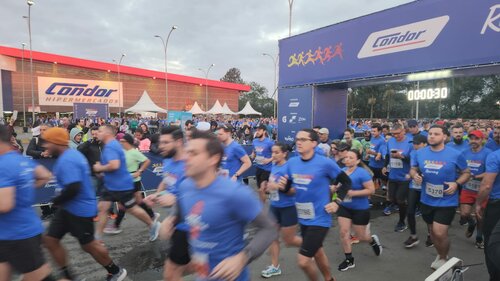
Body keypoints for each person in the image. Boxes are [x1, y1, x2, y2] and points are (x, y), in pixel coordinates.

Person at [167, 130, 277, 281]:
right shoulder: (185, 186)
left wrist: (243, 257)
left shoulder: (235, 193)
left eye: (193, 153)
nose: (186, 157)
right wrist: (172, 219)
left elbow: (270, 228)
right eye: (186, 152)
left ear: (213, 158)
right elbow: (191, 217)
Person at [41, 127, 127, 281]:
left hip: (79, 210)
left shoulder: (69, 158)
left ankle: (115, 271)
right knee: (50, 240)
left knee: (88, 245)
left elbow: (74, 187)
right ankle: (67, 276)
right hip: (68, 208)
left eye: (47, 142)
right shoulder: (68, 155)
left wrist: (56, 201)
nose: (44, 146)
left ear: (56, 142)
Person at [284, 129, 352, 281]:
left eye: (303, 139)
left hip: (320, 218)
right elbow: (288, 189)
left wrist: (337, 202)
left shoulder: (325, 163)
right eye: (297, 139)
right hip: (303, 217)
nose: (298, 142)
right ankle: (329, 279)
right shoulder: (292, 162)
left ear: (314, 143)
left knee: (303, 261)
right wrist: (282, 187)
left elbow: (347, 182)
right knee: (318, 252)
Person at [0, 125, 58, 281]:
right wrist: (22, 190)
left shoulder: (3, 165)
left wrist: (16, 192)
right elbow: (45, 175)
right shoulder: (18, 159)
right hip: (16, 232)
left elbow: (4, 205)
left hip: (18, 234)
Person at [410, 125, 470, 270]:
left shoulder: (455, 154)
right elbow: (413, 169)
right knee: (432, 232)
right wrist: (415, 176)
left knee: (439, 231)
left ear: (444, 137)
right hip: (426, 199)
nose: (431, 136)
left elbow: (467, 173)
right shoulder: (420, 153)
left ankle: (444, 258)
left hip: (447, 200)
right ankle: (440, 254)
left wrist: (456, 184)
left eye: (436, 134)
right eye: (430, 133)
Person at [93, 124, 160, 242]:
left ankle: (152, 224)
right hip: (111, 184)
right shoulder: (112, 145)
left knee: (132, 208)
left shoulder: (111, 146)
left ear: (107, 133)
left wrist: (100, 168)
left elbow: (115, 165)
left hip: (121, 185)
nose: (97, 133)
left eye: (99, 131)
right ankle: (97, 238)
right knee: (103, 208)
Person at [144, 126, 191, 281]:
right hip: (180, 221)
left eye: (165, 142)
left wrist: (176, 200)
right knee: (171, 272)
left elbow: (206, 196)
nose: (160, 146)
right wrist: (157, 194)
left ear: (178, 142)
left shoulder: (192, 163)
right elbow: (166, 181)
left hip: (197, 225)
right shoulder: (168, 160)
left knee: (175, 271)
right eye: (160, 142)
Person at [335, 149, 382, 271]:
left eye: (351, 157)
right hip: (345, 207)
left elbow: (371, 190)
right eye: (346, 157)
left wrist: (353, 193)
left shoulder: (362, 173)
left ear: (358, 161)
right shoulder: (342, 171)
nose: (347, 159)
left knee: (361, 237)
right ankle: (349, 260)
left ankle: (372, 241)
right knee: (344, 232)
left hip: (360, 209)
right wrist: (335, 188)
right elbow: (338, 187)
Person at [261, 143, 302, 278]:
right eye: (272, 152)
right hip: (274, 206)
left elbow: (294, 191)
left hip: (288, 207)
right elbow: (272, 185)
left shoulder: (289, 168)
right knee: (272, 236)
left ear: (284, 153)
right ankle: (275, 266)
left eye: (277, 152)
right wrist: (267, 187)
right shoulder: (273, 165)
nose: (273, 155)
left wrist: (277, 187)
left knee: (289, 240)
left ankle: (311, 246)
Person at [105, 134, 158, 234]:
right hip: (125, 180)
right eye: (120, 141)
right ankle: (152, 215)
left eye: (123, 141)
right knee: (133, 202)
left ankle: (116, 225)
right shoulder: (121, 152)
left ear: (128, 142)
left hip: (134, 180)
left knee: (125, 204)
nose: (121, 143)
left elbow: (147, 161)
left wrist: (140, 171)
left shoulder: (134, 152)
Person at [460, 130, 491, 249]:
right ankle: (471, 223)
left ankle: (479, 237)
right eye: (471, 138)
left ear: (482, 140)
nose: (473, 141)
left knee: (480, 216)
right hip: (467, 188)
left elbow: (490, 172)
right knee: (464, 213)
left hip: (482, 189)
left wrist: (475, 176)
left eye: (476, 139)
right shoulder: (464, 153)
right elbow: (460, 168)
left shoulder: (488, 153)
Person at [404, 134, 432, 248]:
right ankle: (413, 236)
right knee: (410, 211)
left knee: (427, 214)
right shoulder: (413, 153)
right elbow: (413, 168)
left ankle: (431, 234)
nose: (415, 145)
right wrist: (412, 175)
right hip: (414, 186)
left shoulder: (431, 153)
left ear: (425, 144)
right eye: (414, 143)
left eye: (417, 144)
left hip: (427, 188)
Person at [383, 123, 412, 232]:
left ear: (404, 131)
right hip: (393, 175)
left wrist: (402, 157)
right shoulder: (390, 141)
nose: (396, 136)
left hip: (405, 176)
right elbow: (387, 155)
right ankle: (406, 208)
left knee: (400, 200)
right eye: (393, 134)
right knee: (393, 199)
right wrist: (385, 166)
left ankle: (402, 221)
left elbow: (413, 160)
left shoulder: (410, 142)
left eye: (398, 134)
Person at [476, 148, 500, 281]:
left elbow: (486, 185)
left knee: (492, 244)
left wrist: (479, 203)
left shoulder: (495, 156)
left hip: (497, 205)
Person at [78, 126, 104, 196]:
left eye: (96, 134)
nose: (95, 136)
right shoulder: (89, 145)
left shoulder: (104, 144)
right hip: (93, 175)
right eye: (93, 134)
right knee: (93, 195)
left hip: (105, 175)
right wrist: (87, 143)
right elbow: (79, 150)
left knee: (103, 196)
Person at [251, 124, 274, 202]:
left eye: (259, 130)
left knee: (261, 189)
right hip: (258, 168)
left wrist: (269, 160)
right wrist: (251, 156)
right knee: (260, 190)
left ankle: (262, 208)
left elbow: (276, 154)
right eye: (256, 130)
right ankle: (271, 191)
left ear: (264, 132)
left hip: (267, 169)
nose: (257, 132)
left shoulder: (269, 142)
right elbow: (254, 152)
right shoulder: (254, 141)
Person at [367, 124, 387, 190]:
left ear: (379, 132)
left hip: (379, 165)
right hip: (371, 163)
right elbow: (372, 148)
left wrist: (371, 153)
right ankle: (369, 197)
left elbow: (381, 154)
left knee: (384, 182)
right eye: (372, 131)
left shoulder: (382, 141)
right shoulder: (372, 138)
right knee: (369, 181)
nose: (372, 133)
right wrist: (368, 155)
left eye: (374, 131)